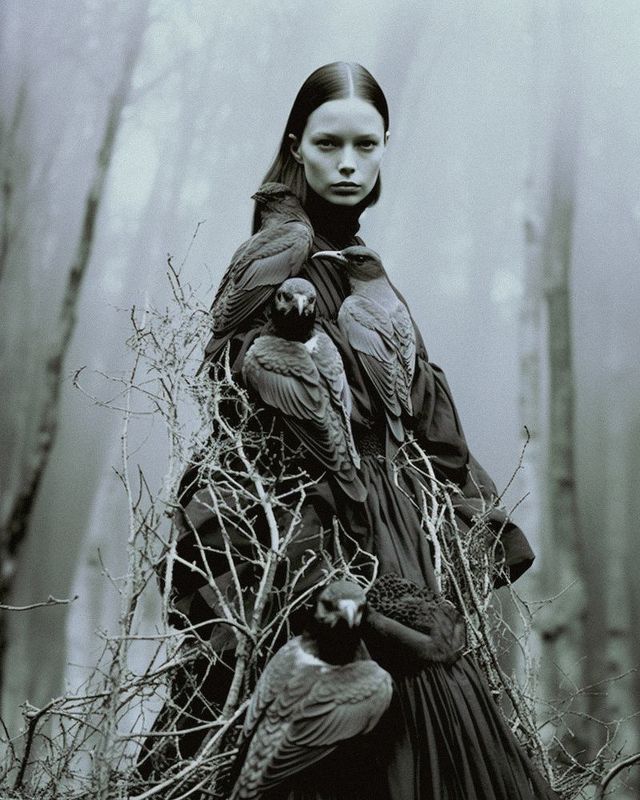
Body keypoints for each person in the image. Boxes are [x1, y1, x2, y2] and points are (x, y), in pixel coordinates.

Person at [141, 62, 559, 799]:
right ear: (295, 146)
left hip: (397, 534)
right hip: (313, 536)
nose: (347, 164)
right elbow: (244, 417)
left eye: (366, 145)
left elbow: (430, 425)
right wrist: (325, 577)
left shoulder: (370, 278)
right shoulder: (280, 262)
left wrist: (456, 524)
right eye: (329, 143)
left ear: (385, 148)